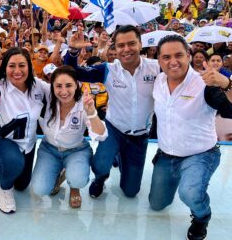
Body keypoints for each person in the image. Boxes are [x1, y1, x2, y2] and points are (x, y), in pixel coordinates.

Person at [149, 35, 232, 240]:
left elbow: (230, 111)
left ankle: (202, 216)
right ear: (159, 60)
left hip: (200, 154)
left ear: (189, 55)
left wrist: (228, 84)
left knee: (189, 193)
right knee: (157, 204)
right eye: (166, 57)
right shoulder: (159, 80)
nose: (173, 61)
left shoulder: (205, 84)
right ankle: (185, 178)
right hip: (167, 154)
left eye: (178, 55)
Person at [65, 25, 160, 198]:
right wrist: (72, 51)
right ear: (115, 48)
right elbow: (74, 73)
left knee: (131, 192)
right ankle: (100, 178)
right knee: (100, 165)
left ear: (140, 44)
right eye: (120, 45)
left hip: (140, 135)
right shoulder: (108, 70)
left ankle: (124, 158)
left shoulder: (157, 68)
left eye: (131, 43)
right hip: (114, 129)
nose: (126, 49)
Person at [0, 47, 49, 214]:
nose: (17, 71)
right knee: (13, 161)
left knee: (22, 185)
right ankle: (5, 189)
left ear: (29, 66)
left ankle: (5, 165)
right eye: (11, 66)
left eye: (22, 65)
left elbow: (61, 93)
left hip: (26, 145)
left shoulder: (39, 87)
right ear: (4, 68)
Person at [31, 66, 107, 208]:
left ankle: (74, 187)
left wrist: (91, 112)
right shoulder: (46, 98)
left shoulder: (83, 104)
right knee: (40, 189)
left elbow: (101, 135)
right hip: (49, 150)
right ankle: (61, 172)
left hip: (76, 150)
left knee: (78, 179)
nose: (64, 91)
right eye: (58, 86)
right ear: (51, 86)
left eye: (69, 85)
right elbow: (28, 78)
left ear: (77, 85)